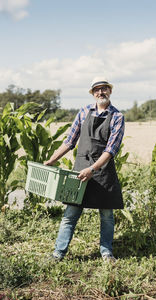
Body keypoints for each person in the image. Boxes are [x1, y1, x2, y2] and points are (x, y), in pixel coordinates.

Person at [45, 77, 125, 262]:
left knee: (106, 216)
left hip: (103, 171)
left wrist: (93, 169)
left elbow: (111, 149)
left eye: (104, 89)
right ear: (93, 93)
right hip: (80, 170)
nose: (100, 93)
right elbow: (69, 141)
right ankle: (58, 253)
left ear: (110, 91)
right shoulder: (83, 112)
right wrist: (52, 159)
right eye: (97, 90)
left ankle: (106, 253)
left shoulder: (117, 117)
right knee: (70, 215)